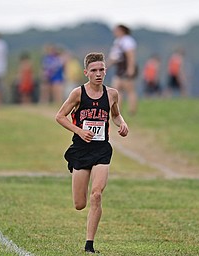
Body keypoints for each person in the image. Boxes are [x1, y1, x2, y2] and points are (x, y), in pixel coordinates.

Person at [55, 52, 129, 253]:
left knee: (96, 194)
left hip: (101, 150)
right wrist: (79, 131)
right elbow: (60, 116)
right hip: (80, 150)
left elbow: (115, 115)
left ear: (106, 71)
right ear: (86, 72)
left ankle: (89, 245)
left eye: (102, 70)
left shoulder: (112, 94)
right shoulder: (78, 94)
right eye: (94, 70)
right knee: (80, 204)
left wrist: (122, 124)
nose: (98, 74)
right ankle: (88, 237)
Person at [107, 24, 138, 115]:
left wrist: (130, 68)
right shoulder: (117, 41)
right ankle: (117, 110)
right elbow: (114, 57)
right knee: (116, 89)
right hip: (119, 67)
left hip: (125, 66)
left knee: (129, 89)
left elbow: (130, 55)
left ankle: (132, 110)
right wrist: (107, 66)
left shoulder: (127, 41)